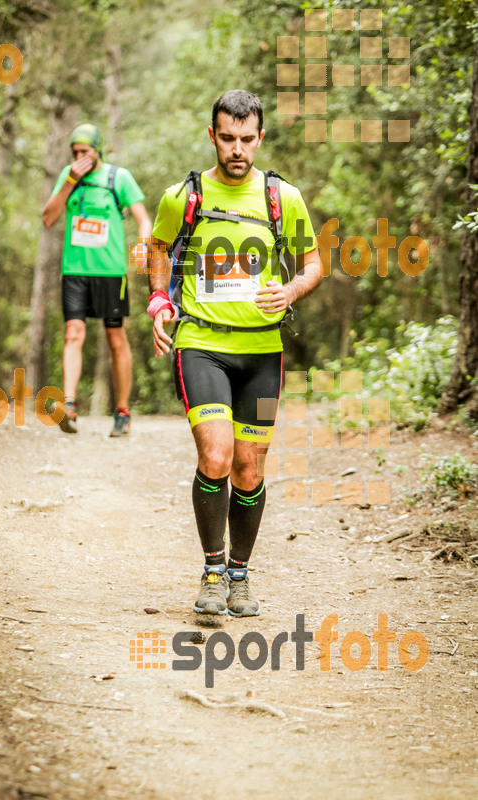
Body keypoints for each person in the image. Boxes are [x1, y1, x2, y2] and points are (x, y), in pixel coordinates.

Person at [147, 90, 322, 616]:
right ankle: (212, 570)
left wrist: (290, 291)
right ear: (212, 136)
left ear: (260, 138)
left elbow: (314, 264)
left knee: (249, 469)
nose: (237, 149)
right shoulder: (185, 196)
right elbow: (157, 248)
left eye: (247, 139)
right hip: (202, 344)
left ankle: (241, 576)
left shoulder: (281, 199)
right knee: (216, 456)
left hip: (262, 351)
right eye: (228, 138)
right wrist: (160, 300)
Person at [42, 123, 152, 436]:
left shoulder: (119, 178)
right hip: (74, 271)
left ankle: (122, 411)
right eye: (74, 152)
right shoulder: (69, 177)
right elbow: (48, 218)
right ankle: (70, 405)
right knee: (73, 332)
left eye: (84, 151)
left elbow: (144, 220)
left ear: (97, 150)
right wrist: (70, 182)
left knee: (116, 340)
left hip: (110, 272)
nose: (79, 157)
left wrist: (140, 252)